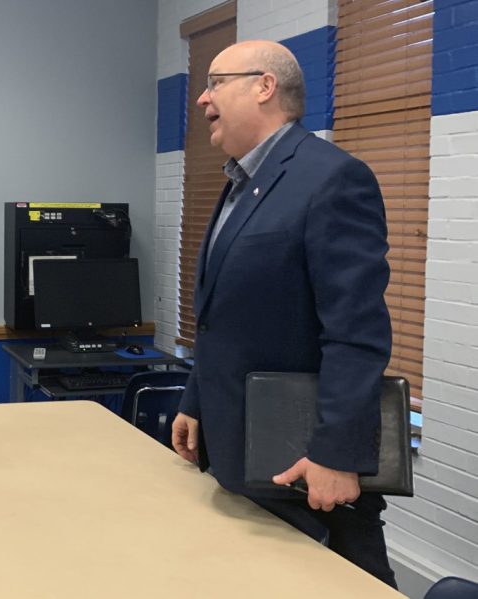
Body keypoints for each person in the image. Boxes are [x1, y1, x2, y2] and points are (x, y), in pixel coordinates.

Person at [170, 40, 397, 587]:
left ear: (264, 86)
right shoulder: (239, 183)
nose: (202, 98)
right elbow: (224, 315)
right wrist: (196, 399)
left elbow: (355, 332)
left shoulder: (332, 179)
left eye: (216, 82)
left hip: (305, 470)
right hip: (241, 456)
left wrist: (337, 455)